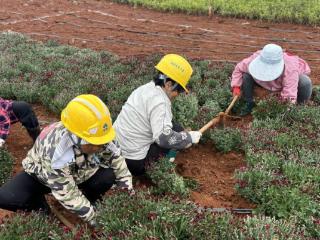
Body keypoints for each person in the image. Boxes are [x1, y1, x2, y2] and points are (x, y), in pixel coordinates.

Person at [0, 94, 132, 227]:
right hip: (42, 176)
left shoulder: (101, 133)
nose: (99, 146)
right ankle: (41, 208)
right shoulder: (55, 151)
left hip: (80, 173)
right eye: (93, 143)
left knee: (108, 175)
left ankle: (90, 199)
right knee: (5, 197)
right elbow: (67, 193)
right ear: (76, 136)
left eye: (102, 142)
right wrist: (96, 221)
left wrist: (128, 197)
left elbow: (119, 163)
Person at [114, 54, 202, 176]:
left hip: (116, 153)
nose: (179, 94)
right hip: (134, 162)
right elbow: (164, 139)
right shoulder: (160, 102)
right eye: (179, 90)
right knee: (172, 139)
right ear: (169, 84)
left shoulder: (146, 88)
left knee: (175, 128)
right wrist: (188, 138)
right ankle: (166, 163)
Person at [231, 43, 312, 115]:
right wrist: (236, 87)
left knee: (305, 82)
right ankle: (249, 103)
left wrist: (283, 112)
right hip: (263, 82)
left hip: (281, 82)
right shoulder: (254, 59)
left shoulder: (290, 68)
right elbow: (239, 68)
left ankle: (298, 109)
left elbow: (289, 94)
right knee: (246, 76)